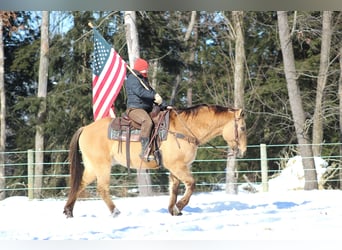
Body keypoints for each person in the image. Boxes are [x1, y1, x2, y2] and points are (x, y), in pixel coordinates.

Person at [125, 58, 168, 161]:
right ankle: (144, 150)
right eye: (145, 69)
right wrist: (153, 96)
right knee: (147, 122)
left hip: (146, 108)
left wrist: (164, 105)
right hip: (135, 108)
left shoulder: (143, 79)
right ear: (140, 69)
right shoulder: (132, 78)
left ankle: (156, 148)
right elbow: (140, 92)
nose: (146, 71)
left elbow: (152, 92)